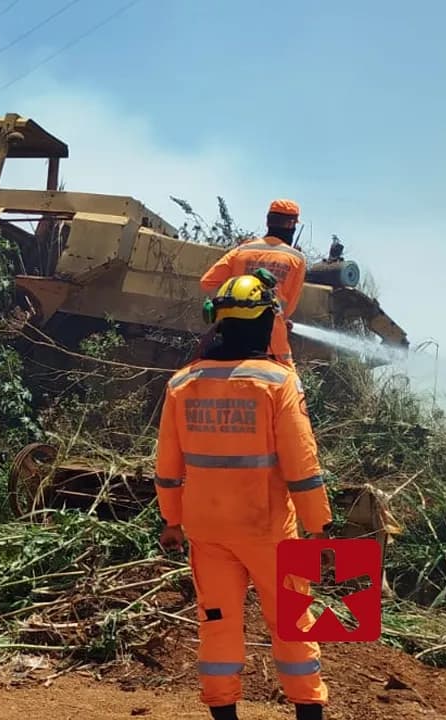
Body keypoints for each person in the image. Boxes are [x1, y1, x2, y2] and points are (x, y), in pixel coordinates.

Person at [154, 273, 334, 720]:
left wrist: (171, 521)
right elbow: (302, 467)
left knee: (217, 624)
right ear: (265, 322)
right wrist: (321, 528)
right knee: (292, 624)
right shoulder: (278, 382)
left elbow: (167, 468)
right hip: (270, 530)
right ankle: (309, 712)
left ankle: (224, 713)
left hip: (206, 531)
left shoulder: (181, 384)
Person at [199, 199, 307, 368]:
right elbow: (290, 306)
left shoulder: (242, 250)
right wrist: (282, 318)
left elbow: (207, 282)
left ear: (267, 221)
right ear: (291, 224)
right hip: (272, 342)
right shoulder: (297, 259)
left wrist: (225, 304)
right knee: (287, 383)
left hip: (232, 335)